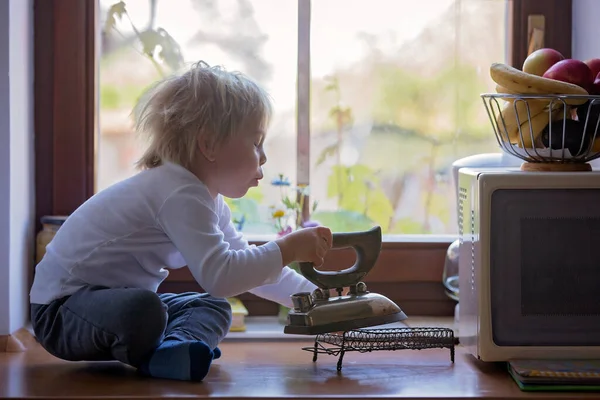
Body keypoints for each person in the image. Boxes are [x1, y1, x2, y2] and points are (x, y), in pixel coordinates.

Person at [29, 61, 333, 382]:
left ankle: (172, 353)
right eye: (256, 142)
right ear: (209, 144)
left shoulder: (207, 200)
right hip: (61, 311)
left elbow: (251, 273)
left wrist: (319, 301)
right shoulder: (178, 192)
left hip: (111, 305)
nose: (264, 156)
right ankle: (164, 353)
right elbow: (221, 276)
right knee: (146, 310)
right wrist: (286, 249)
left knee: (214, 307)